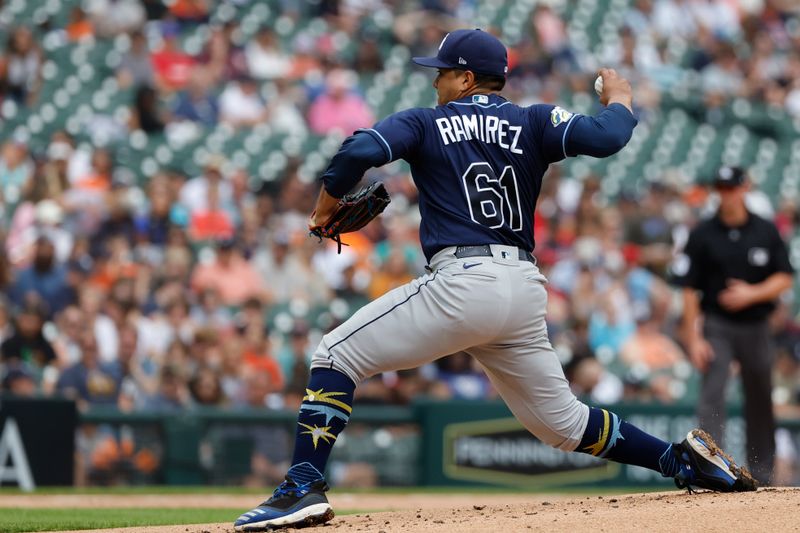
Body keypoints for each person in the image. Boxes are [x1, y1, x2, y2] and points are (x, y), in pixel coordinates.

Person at [234, 29, 756, 532]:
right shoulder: (533, 119)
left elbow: (358, 153)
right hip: (522, 287)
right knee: (564, 426)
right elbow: (609, 136)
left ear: (465, 78)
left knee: (334, 355)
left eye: (442, 73)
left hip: (464, 280)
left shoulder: (425, 122)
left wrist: (326, 206)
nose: (434, 82)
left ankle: (302, 484)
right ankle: (682, 461)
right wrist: (620, 97)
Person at [672, 166, 794, 485]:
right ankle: (713, 470)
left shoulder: (765, 230)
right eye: (722, 188)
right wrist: (693, 337)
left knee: (760, 396)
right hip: (717, 323)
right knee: (712, 393)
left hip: (756, 325)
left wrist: (752, 293)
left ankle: (763, 473)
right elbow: (687, 287)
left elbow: (784, 276)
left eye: (732, 188)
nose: (727, 194)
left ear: (745, 189)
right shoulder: (702, 234)